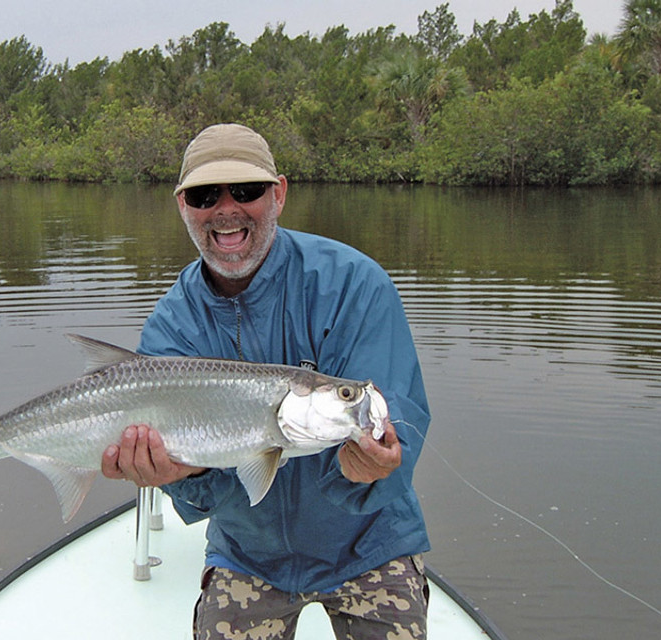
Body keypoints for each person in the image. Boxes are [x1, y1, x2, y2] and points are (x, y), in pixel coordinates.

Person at [101, 123, 431, 640]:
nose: (226, 210)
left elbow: (395, 413)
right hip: (248, 553)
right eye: (205, 196)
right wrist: (180, 475)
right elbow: (206, 491)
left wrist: (379, 463)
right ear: (183, 206)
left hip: (370, 544)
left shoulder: (354, 283)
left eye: (246, 190)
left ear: (278, 194)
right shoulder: (172, 326)